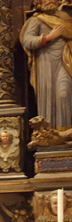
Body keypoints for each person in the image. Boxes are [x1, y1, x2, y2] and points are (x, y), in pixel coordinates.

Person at [20, 0, 72, 129]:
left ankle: (65, 130)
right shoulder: (36, 20)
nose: (50, 0)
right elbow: (27, 41)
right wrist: (48, 38)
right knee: (48, 98)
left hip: (64, 61)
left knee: (64, 93)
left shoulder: (66, 19)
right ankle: (49, 132)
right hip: (45, 64)